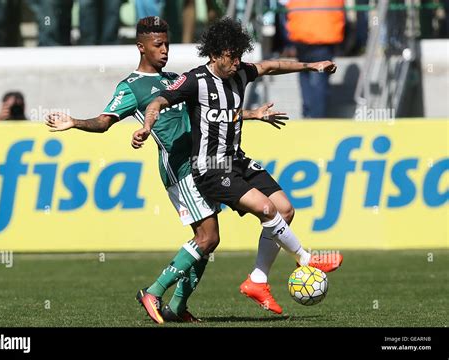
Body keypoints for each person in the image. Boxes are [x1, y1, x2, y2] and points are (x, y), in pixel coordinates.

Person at [45, 17, 286, 323]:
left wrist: (252, 114)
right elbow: (104, 122)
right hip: (179, 166)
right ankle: (153, 291)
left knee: (209, 239)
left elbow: (212, 114)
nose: (164, 50)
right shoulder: (131, 86)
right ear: (141, 47)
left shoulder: (176, 78)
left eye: (167, 44)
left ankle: (178, 306)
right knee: (207, 237)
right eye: (158, 45)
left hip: (205, 163)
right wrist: (75, 122)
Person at [133, 17, 343, 316]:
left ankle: (257, 279)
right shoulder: (195, 80)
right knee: (264, 210)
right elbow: (157, 103)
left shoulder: (240, 72)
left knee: (284, 209)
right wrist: (146, 126)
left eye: (240, 56)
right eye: (231, 57)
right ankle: (306, 258)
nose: (237, 63)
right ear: (215, 54)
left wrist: (311, 66)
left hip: (237, 159)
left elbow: (271, 66)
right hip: (210, 167)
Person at [285, 0, 345, 118]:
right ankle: (317, 119)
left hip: (302, 35)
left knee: (306, 77)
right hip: (323, 37)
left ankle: (308, 115)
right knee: (319, 82)